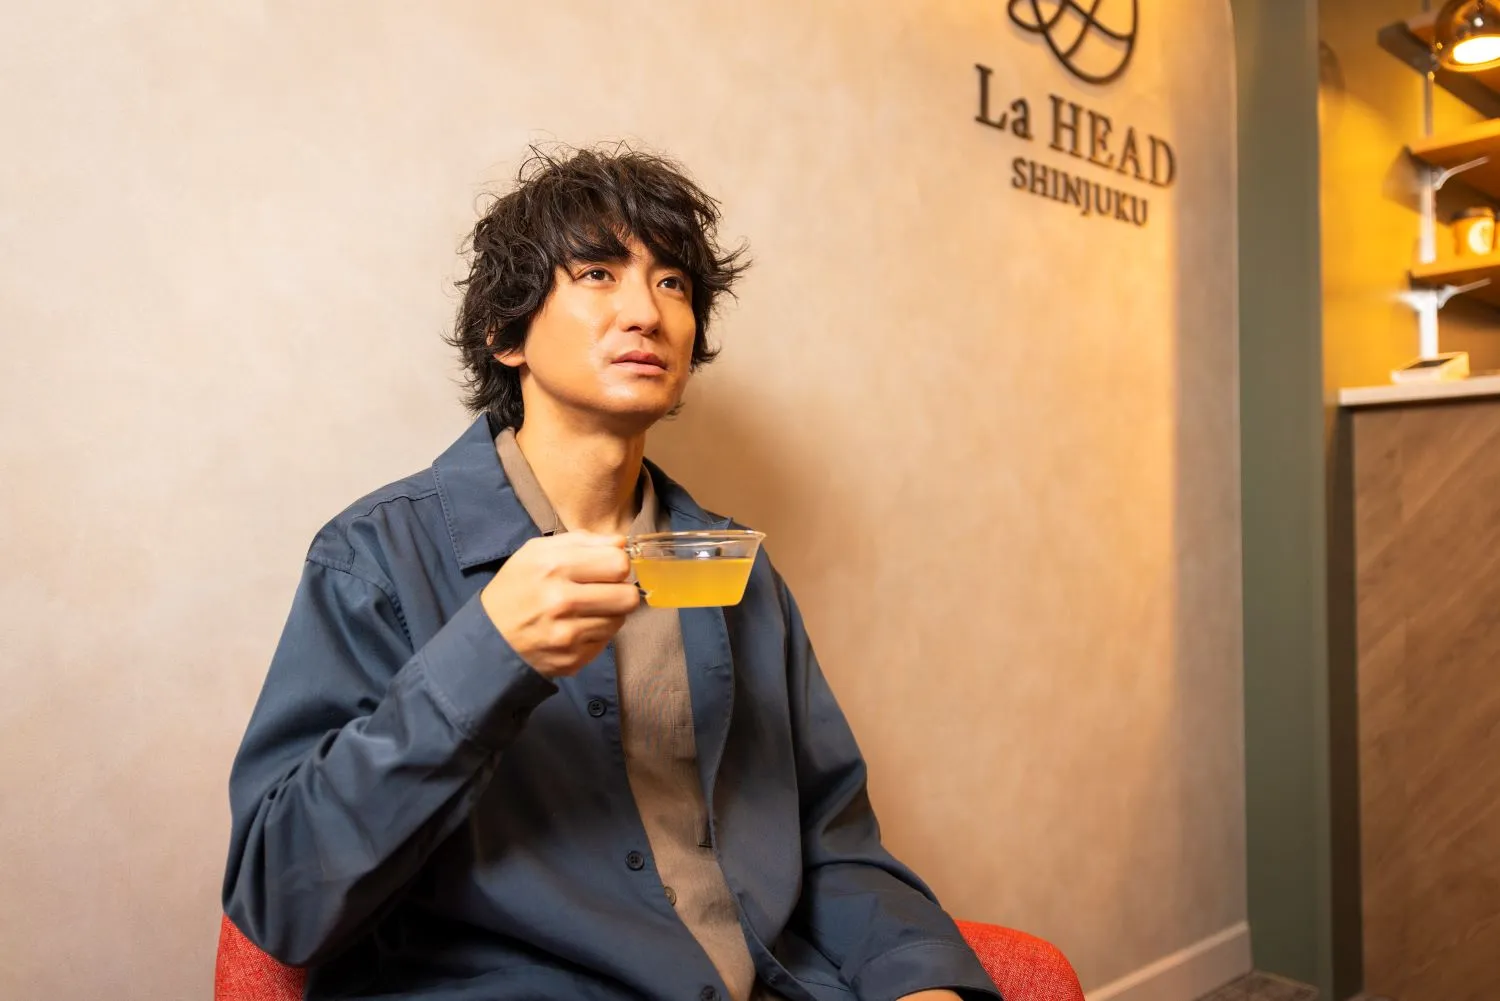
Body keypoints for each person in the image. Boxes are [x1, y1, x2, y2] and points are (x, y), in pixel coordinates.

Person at [222, 146, 998, 1001]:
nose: (646, 312)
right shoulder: (376, 556)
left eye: (672, 283)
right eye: (597, 273)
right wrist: (485, 654)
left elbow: (832, 839)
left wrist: (917, 978)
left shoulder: (735, 569)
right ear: (505, 334)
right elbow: (282, 897)